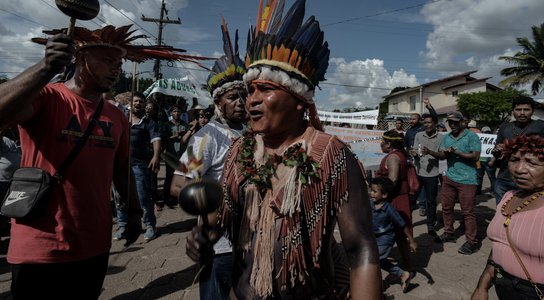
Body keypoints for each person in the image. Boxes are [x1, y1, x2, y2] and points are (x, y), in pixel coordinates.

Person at [185, 0, 382, 298]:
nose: (252, 99)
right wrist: (203, 235)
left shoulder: (332, 155)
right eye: (250, 90)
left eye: (265, 89)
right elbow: (223, 221)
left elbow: (361, 249)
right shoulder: (240, 150)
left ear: (299, 99)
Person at [0, 25, 149, 299]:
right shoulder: (49, 97)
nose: (116, 69)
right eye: (107, 61)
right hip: (40, 246)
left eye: (119, 63)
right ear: (81, 59)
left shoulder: (116, 116)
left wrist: (134, 212)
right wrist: (45, 66)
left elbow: (121, 168)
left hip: (93, 245)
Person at [171, 20, 248, 300]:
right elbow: (179, 184)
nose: (241, 101)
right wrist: (213, 203)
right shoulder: (205, 137)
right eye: (233, 96)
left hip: (253, 242)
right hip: (220, 245)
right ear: (219, 102)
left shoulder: (257, 133)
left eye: (244, 95)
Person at [471, 134, 544, 300]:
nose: (519, 169)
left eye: (532, 163)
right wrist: (482, 286)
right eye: (514, 160)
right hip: (503, 284)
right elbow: (500, 243)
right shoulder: (509, 196)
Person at [431, 112, 482, 255]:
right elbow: (442, 155)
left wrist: (457, 152)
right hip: (449, 177)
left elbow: (475, 156)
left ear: (462, 122)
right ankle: (449, 233)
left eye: (454, 122)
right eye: (449, 122)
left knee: (468, 212)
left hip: (468, 180)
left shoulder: (471, 136)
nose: (452, 125)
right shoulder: (446, 137)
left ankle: (472, 242)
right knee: (446, 208)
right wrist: (437, 152)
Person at [115, 91, 161, 241]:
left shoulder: (148, 122)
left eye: (141, 102)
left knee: (142, 197)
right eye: (135, 101)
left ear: (144, 104)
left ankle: (149, 225)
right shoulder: (122, 118)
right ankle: (122, 226)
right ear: (131, 103)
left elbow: (156, 139)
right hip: (120, 165)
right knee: (119, 197)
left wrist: (155, 156)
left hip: (139, 165)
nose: (138, 104)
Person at [491, 96, 544, 204]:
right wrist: (497, 151)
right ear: (513, 111)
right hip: (504, 179)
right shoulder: (505, 127)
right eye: (518, 110)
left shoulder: (540, 126)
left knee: (526, 214)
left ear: (533, 111)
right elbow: (496, 152)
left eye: (526, 110)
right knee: (502, 212)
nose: (522, 113)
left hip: (530, 180)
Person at [370, 176, 417, 293]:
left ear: (384, 195)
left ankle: (376, 286)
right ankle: (402, 274)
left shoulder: (389, 209)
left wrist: (411, 241)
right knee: (380, 261)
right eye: (371, 190)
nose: (372, 193)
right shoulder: (370, 204)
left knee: (373, 259)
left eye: (375, 191)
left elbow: (402, 225)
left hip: (386, 239)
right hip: (374, 238)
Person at [377, 130, 415, 274]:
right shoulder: (400, 154)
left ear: (389, 143)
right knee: (400, 235)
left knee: (393, 232)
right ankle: (407, 265)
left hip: (395, 199)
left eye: (382, 141)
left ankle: (404, 266)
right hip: (400, 197)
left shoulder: (393, 157)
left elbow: (392, 180)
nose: (380, 144)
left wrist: (378, 194)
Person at [410, 113, 444, 237]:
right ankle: (407, 222)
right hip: (418, 172)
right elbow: (415, 150)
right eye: (425, 123)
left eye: (429, 123)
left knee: (431, 201)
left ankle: (430, 224)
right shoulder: (419, 135)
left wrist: (429, 152)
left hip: (432, 174)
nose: (427, 125)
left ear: (435, 124)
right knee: (412, 198)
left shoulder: (440, 138)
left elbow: (443, 155)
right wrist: (414, 153)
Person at [162, 105, 189, 208]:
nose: (177, 113)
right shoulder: (167, 125)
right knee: (169, 176)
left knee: (182, 177)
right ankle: (167, 198)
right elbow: (164, 139)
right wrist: (175, 136)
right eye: (174, 111)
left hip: (182, 155)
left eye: (178, 111)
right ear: (171, 113)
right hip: (171, 155)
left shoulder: (185, 125)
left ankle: (179, 197)